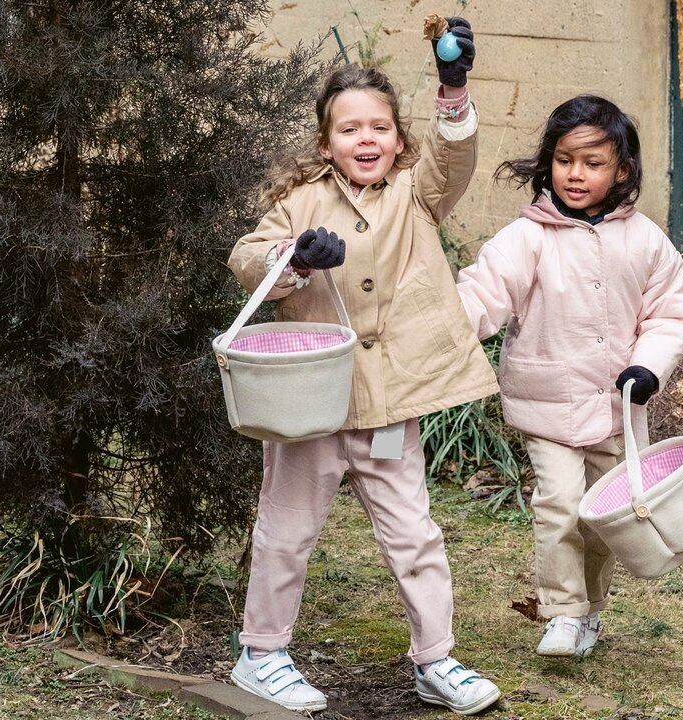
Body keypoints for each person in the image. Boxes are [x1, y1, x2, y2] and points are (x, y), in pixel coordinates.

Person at [225, 18, 502, 716]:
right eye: (350, 129)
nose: (367, 139)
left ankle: (434, 660)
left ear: (399, 139)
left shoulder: (418, 191)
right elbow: (246, 258)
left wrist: (454, 87)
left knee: (415, 536)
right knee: (287, 530)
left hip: (390, 403)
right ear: (326, 143)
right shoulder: (300, 201)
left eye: (380, 127)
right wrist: (291, 260)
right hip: (310, 404)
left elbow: (456, 157)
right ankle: (261, 654)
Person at [455, 95, 683, 658]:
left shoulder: (646, 241)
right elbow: (483, 293)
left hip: (618, 408)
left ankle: (590, 607)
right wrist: (441, 328)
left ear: (622, 170)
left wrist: (650, 366)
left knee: (603, 516)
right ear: (549, 162)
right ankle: (561, 612)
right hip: (547, 406)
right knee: (560, 504)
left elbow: (668, 314)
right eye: (565, 160)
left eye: (592, 163)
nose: (576, 174)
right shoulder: (528, 237)